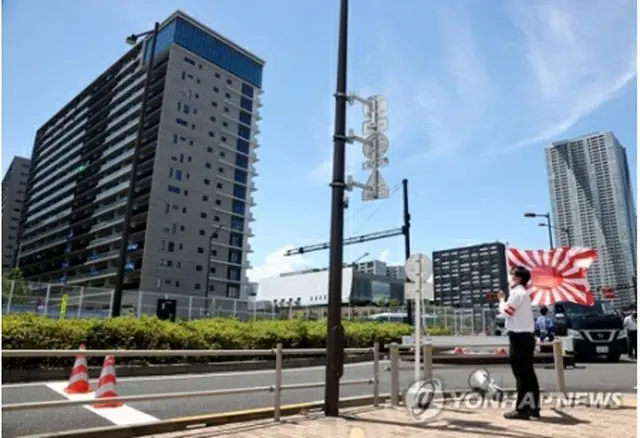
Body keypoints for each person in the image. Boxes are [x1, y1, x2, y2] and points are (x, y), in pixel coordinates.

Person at [497, 265, 540, 420]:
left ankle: (522, 409)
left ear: (518, 278)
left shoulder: (517, 293)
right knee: (528, 374)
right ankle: (533, 408)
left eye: (512, 274)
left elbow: (507, 312)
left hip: (519, 338)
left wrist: (501, 300)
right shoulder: (523, 293)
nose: (509, 276)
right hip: (526, 337)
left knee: (521, 374)